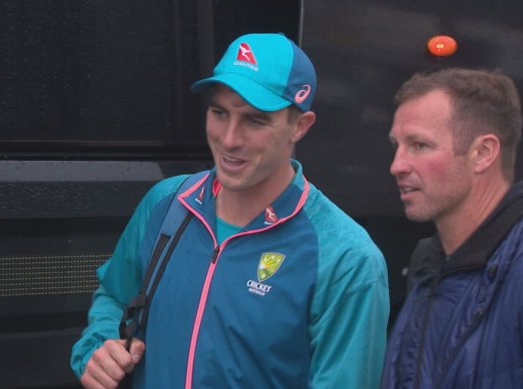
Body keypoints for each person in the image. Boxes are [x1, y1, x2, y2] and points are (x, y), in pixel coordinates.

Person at [70, 32, 390, 389]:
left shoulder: (346, 257)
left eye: (255, 120)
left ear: (300, 126)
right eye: (219, 112)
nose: (229, 139)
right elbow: (115, 295)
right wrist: (97, 349)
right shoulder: (167, 203)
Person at [381, 67, 523, 388]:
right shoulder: (433, 264)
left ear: (483, 153)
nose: (397, 165)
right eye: (397, 145)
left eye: (419, 145)